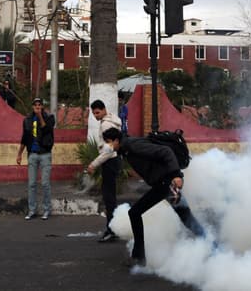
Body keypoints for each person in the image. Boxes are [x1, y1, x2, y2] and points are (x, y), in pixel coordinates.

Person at [102, 127, 207, 268]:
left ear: (116, 140)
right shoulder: (127, 148)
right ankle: (212, 245)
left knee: (135, 213)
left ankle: (139, 258)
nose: (108, 146)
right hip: (163, 184)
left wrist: (176, 174)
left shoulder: (132, 145)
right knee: (186, 217)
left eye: (109, 142)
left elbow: (166, 152)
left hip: (166, 183)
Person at [86, 99, 122, 242]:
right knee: (110, 197)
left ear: (103, 109)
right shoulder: (113, 120)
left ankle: (111, 230)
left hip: (109, 161)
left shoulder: (106, 124)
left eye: (97, 112)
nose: (96, 116)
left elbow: (108, 150)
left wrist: (93, 164)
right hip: (113, 161)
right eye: (94, 113)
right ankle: (113, 228)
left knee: (109, 199)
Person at [16, 97, 55, 220]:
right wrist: (19, 154)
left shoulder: (49, 118)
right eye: (35, 105)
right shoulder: (27, 120)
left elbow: (46, 129)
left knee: (45, 183)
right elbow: (24, 138)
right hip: (32, 154)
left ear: (42, 106)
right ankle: (32, 210)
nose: (37, 106)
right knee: (32, 184)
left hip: (45, 154)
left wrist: (40, 116)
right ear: (32, 106)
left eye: (39, 105)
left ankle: (46, 210)